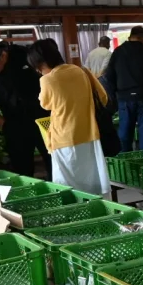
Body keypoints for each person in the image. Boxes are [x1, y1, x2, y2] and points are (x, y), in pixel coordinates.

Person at [28, 39, 111, 195]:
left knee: (69, 184)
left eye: (39, 67)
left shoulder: (48, 79)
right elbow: (103, 96)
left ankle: (75, 212)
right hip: (89, 133)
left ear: (42, 62)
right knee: (91, 180)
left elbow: (45, 104)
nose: (39, 71)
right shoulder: (81, 71)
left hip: (64, 136)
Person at [0, 38, 51, 177]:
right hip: (14, 122)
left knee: (53, 160)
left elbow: (48, 77)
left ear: (2, 55)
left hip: (42, 117)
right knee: (22, 168)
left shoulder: (23, 55)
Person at [103, 26, 143, 152]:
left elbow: (108, 75)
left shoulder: (118, 51)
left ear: (129, 36)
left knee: (125, 132)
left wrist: (114, 93)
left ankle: (125, 160)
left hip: (124, 97)